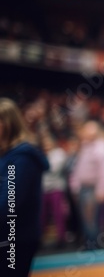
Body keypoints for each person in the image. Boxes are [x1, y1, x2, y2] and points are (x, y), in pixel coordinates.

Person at [0, 98, 49, 276]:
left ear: (7, 124)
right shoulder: (6, 156)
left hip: (15, 238)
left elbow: (8, 203)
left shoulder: (21, 159)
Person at [69, 120, 104, 249]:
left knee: (91, 219)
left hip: (92, 188)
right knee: (85, 218)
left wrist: (102, 190)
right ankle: (89, 242)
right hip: (83, 188)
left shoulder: (102, 148)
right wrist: (75, 186)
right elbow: (77, 169)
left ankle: (93, 244)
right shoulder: (84, 146)